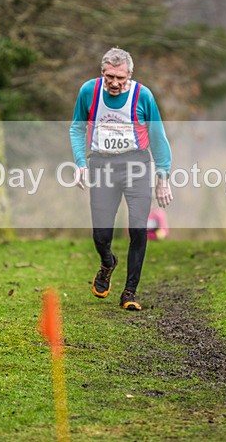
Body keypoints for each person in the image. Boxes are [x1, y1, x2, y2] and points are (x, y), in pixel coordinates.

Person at [69, 48, 173, 311]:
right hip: (102, 163)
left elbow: (158, 136)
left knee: (138, 229)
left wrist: (163, 176)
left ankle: (130, 292)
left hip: (136, 164)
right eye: (109, 76)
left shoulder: (143, 96)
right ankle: (107, 262)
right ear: (102, 72)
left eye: (120, 78)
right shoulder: (89, 92)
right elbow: (76, 127)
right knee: (101, 234)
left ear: (130, 75)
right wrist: (81, 163)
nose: (114, 83)